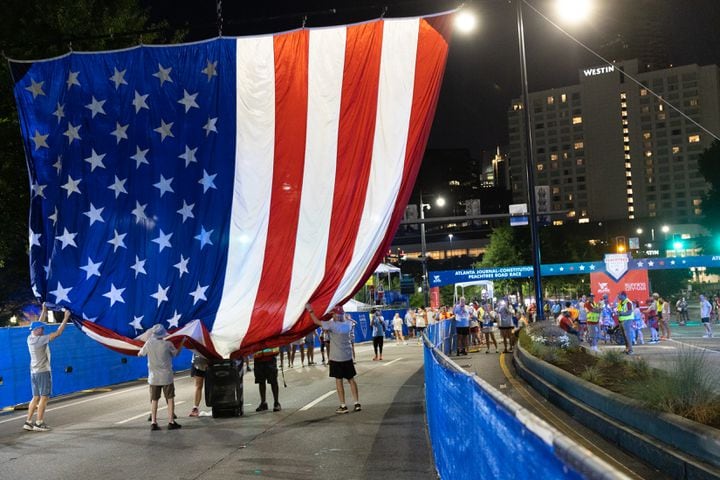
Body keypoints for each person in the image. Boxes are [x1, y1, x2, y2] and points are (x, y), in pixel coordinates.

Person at [24, 304, 71, 432]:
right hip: (43, 372)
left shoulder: (30, 338)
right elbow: (58, 333)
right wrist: (66, 317)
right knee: (44, 397)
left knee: (35, 397)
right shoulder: (40, 340)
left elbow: (39, 322)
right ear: (37, 330)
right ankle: (39, 423)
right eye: (41, 329)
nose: (43, 330)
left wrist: (44, 309)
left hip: (33, 372)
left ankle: (28, 422)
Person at [306, 304, 361, 413]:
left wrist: (310, 310)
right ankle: (356, 403)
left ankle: (343, 405)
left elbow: (316, 321)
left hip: (336, 358)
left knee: (339, 381)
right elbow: (350, 321)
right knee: (351, 380)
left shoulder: (332, 325)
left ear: (335, 315)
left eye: (333, 314)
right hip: (347, 356)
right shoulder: (348, 324)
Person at [138, 324, 182, 431]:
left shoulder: (149, 343)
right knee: (170, 398)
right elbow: (175, 354)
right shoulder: (168, 344)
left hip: (153, 378)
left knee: (154, 400)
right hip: (166, 376)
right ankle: (171, 421)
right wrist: (182, 344)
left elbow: (140, 354)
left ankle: (153, 422)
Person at [253, 347, 281, 412]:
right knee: (261, 382)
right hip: (258, 359)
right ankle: (263, 403)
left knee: (273, 381)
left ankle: (276, 403)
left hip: (270, 359)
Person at [188, 352, 208, 417]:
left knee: (213, 386)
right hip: (198, 362)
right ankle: (195, 408)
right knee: (198, 386)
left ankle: (218, 406)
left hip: (211, 361)